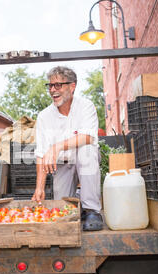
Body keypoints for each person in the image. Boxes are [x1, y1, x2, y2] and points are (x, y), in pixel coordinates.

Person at [32, 66, 103, 231]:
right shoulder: (44, 116)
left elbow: (88, 137)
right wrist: (39, 188)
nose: (52, 90)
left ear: (72, 86)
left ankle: (92, 210)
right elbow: (41, 154)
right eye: (50, 86)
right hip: (63, 163)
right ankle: (78, 209)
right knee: (64, 212)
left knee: (86, 151)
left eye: (58, 85)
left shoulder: (86, 106)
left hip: (84, 158)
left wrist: (57, 147)